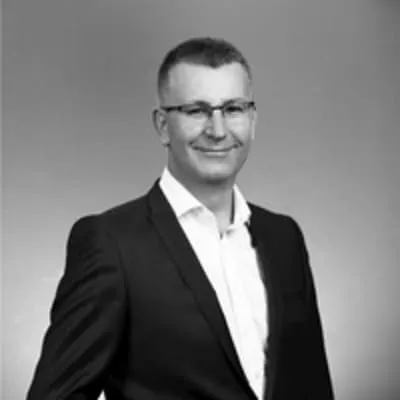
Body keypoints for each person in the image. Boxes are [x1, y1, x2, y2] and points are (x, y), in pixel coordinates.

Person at [27, 37, 334, 400]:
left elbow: (312, 386)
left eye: (233, 108)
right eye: (196, 111)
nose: (218, 130)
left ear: (252, 120)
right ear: (162, 126)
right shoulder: (112, 244)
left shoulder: (284, 237)